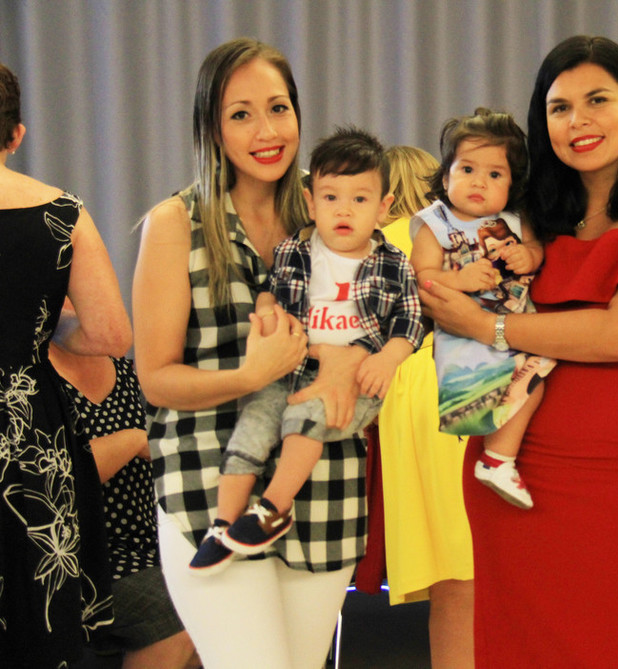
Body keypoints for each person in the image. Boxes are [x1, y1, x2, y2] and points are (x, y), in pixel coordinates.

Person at [419, 35, 618, 667]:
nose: (578, 121)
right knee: (515, 651)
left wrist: (488, 328)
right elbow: (439, 277)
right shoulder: (528, 212)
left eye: (597, 100)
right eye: (559, 107)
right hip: (511, 473)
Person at [132, 38, 374, 669]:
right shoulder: (175, 223)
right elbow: (155, 380)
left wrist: (356, 358)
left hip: (323, 488)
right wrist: (250, 375)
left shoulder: (334, 204)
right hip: (208, 487)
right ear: (213, 128)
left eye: (278, 108)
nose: (267, 132)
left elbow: (396, 308)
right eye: (241, 114)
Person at [190, 127, 423, 574]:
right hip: (292, 367)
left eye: (360, 199)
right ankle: (222, 525)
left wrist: (388, 358)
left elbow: (409, 322)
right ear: (311, 202)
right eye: (331, 197)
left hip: (356, 380)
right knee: (251, 428)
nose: (344, 210)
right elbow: (272, 293)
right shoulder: (294, 250)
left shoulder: (393, 264)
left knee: (307, 417)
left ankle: (273, 508)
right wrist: (266, 308)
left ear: (383, 208)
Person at [0, 62, 132, 668]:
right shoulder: (62, 213)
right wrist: (39, 325)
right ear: (16, 134)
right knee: (37, 615)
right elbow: (110, 334)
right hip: (27, 430)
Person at [410, 108, 554, 509]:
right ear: (445, 177)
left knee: (532, 383)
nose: (479, 182)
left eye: (495, 174)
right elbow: (422, 277)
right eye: (467, 169)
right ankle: (496, 458)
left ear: (512, 184)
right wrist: (460, 279)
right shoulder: (434, 224)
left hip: (516, 327)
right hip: (463, 335)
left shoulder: (515, 220)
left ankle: (497, 459)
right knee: (480, 396)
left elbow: (537, 250)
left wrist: (529, 255)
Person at [49, 308, 199, 669]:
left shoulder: (129, 371)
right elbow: (52, 481)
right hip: (77, 556)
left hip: (152, 541)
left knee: (219, 600)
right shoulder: (30, 381)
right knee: (177, 616)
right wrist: (132, 440)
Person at [378, 145, 476, 669]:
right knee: (470, 565)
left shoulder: (371, 244)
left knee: (448, 577)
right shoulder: (444, 234)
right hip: (454, 376)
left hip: (402, 397)